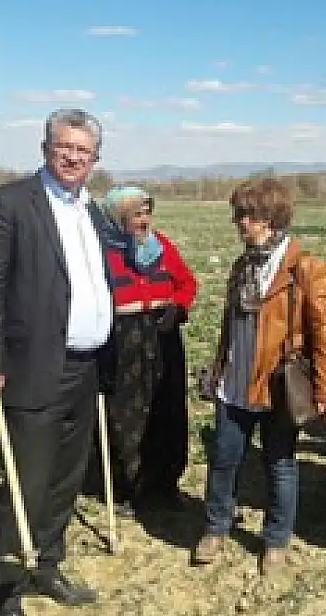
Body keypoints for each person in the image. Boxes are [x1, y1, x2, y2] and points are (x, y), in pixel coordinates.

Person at [0, 109, 114, 616]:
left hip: (85, 364)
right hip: (32, 365)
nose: (74, 157)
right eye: (65, 147)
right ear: (46, 148)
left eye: (84, 151)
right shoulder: (9, 203)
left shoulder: (91, 210)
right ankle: (8, 586)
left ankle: (47, 564)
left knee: (65, 477)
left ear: (95, 159)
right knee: (26, 476)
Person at [192, 177, 326, 576]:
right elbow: (230, 326)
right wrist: (217, 370)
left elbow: (324, 336)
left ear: (273, 219)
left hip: (277, 388)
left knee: (280, 464)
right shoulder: (242, 265)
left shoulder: (306, 270)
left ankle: (276, 540)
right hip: (234, 386)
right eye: (238, 214)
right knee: (223, 460)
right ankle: (216, 529)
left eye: (249, 215)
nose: (240, 223)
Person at [91, 185, 198, 514]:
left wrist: (178, 307)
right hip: (122, 338)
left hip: (163, 334)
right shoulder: (99, 251)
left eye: (146, 213)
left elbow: (187, 283)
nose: (144, 220)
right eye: (136, 214)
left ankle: (165, 483)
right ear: (117, 217)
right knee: (126, 415)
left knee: (167, 411)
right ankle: (128, 488)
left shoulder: (162, 246)